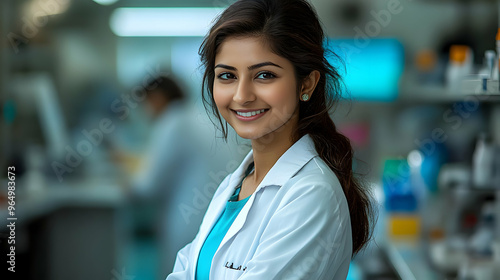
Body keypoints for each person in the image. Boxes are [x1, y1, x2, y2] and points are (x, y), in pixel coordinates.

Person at [166, 0, 374, 279]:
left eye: (264, 75)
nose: (241, 95)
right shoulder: (237, 183)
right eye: (227, 76)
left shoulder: (312, 193)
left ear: (306, 84)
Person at [128, 75, 213, 277]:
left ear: (156, 97)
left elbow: (147, 186)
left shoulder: (172, 121)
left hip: (186, 221)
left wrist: (124, 181)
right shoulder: (195, 116)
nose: (146, 111)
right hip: (207, 216)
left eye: (145, 103)